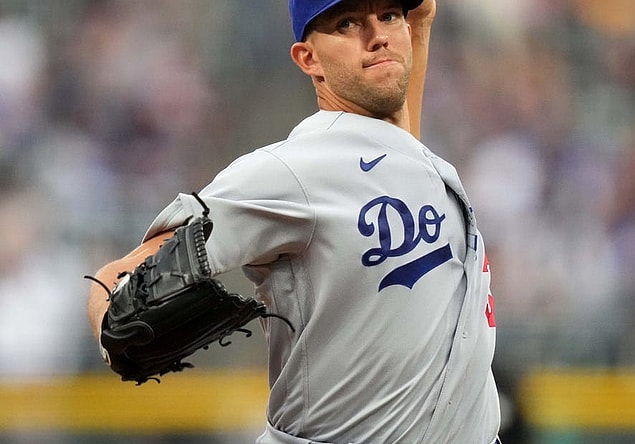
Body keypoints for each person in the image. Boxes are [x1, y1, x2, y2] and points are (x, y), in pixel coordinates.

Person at [86, 0, 501, 442]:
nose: (377, 35)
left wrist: (418, 24)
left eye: (388, 16)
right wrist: (110, 321)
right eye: (347, 23)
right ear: (309, 59)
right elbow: (119, 278)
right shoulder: (294, 171)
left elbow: (394, 146)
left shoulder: (407, 157)